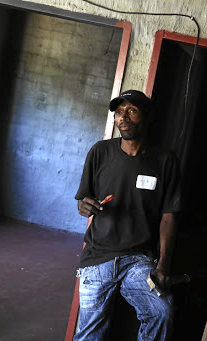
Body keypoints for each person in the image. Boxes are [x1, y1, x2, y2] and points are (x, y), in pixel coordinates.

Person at [73, 90, 182, 341]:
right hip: (97, 258)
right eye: (119, 112)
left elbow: (169, 216)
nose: (124, 117)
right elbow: (82, 201)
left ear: (148, 117)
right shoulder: (100, 152)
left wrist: (164, 263)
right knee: (89, 334)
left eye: (132, 110)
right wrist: (84, 206)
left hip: (139, 259)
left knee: (161, 311)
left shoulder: (165, 161)